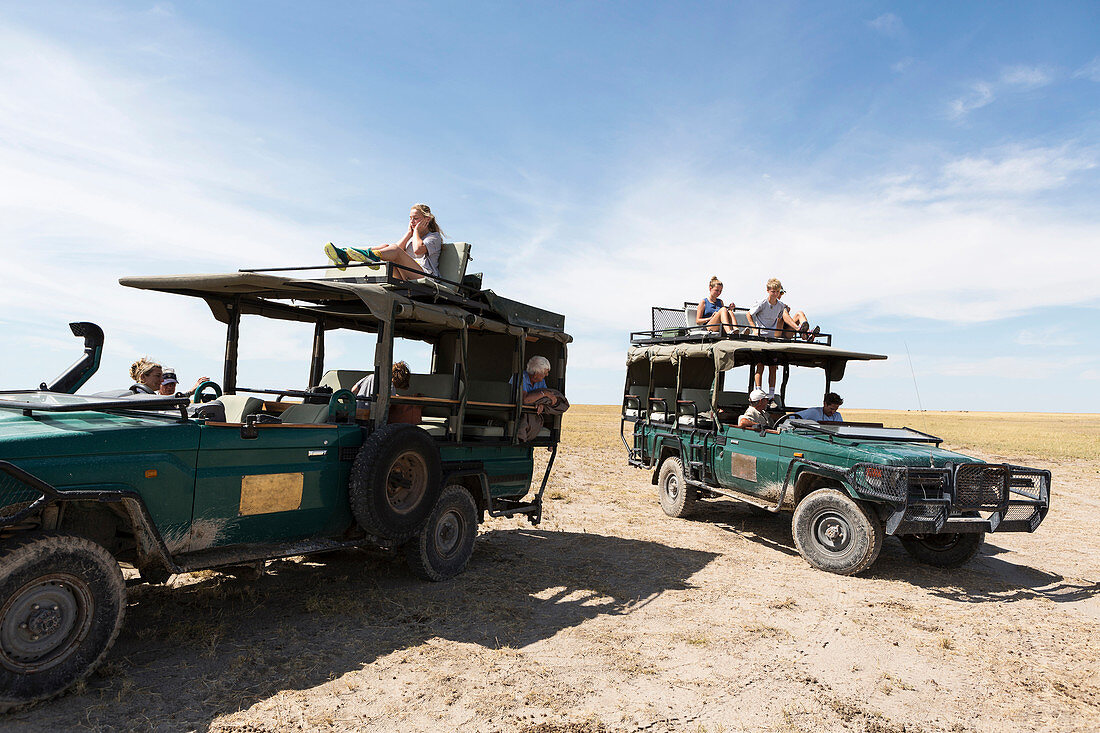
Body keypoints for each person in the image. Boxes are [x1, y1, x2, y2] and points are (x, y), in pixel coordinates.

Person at [325, 204, 445, 281]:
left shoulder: (434, 237)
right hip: (409, 275)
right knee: (386, 247)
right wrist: (409, 233)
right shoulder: (413, 237)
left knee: (394, 250)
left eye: (416, 218)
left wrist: (416, 232)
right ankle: (345, 256)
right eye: (410, 218)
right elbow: (396, 248)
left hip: (427, 277)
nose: (412, 222)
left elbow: (417, 250)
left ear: (427, 219)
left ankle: (371, 257)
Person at [747, 278, 819, 398]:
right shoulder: (763, 303)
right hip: (763, 337)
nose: (776, 294)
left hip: (775, 336)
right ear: (768, 291)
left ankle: (771, 395)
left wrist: (786, 312)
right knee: (760, 365)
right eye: (774, 292)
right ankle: (758, 393)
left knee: (773, 367)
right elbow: (749, 314)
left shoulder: (780, 306)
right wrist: (754, 329)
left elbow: (782, 318)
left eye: (778, 292)